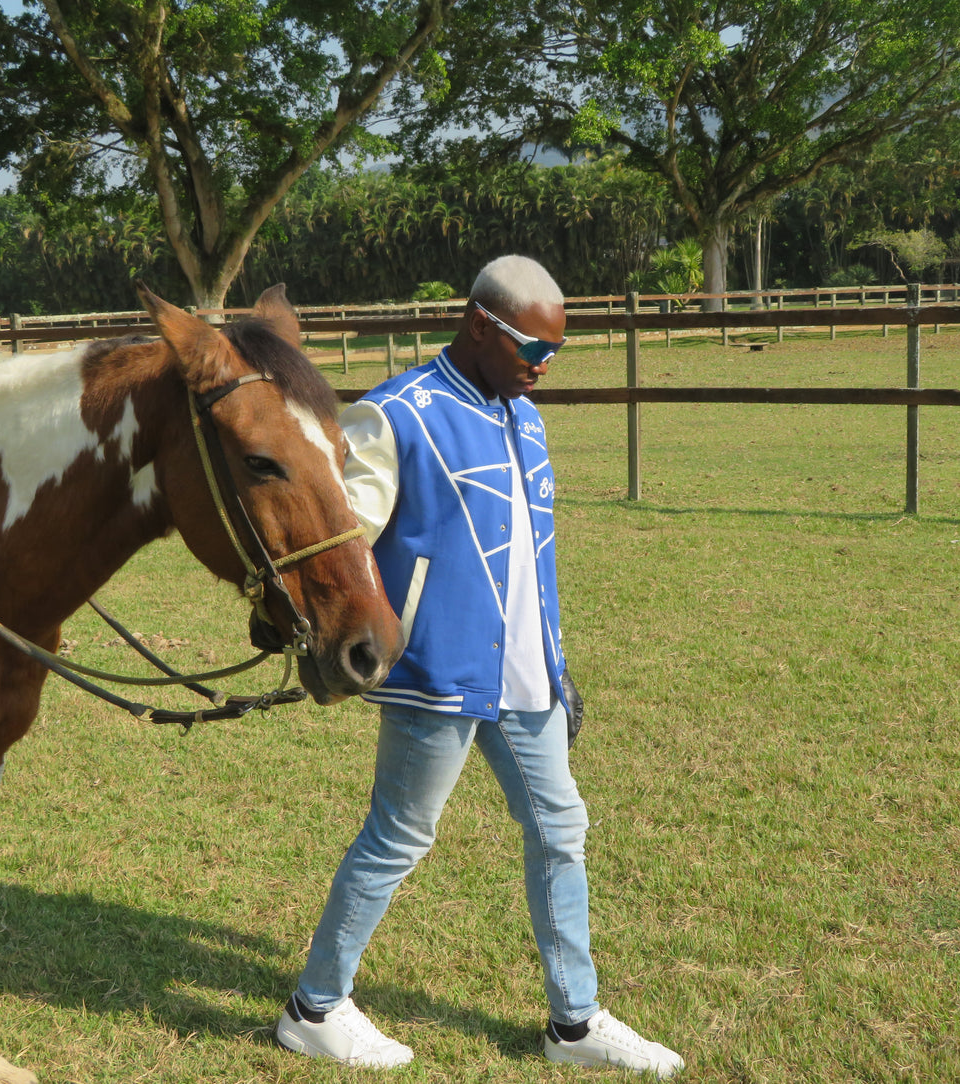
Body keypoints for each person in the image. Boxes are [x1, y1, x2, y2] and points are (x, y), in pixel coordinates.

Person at [274, 256, 685, 1077]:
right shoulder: (394, 417)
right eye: (534, 347)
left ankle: (572, 1023)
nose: (543, 366)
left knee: (560, 831)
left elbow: (532, 561)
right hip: (435, 675)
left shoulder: (524, 417)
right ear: (477, 326)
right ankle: (314, 1008)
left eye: (556, 352)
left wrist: (556, 662)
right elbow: (338, 551)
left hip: (528, 680)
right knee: (398, 837)